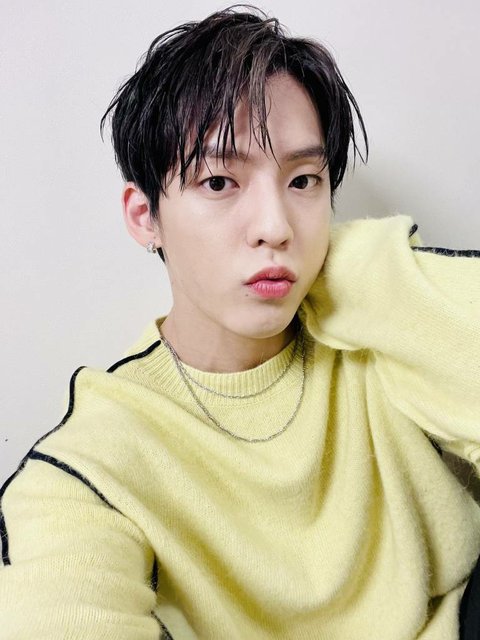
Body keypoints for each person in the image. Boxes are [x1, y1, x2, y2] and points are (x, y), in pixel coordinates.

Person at [1, 5, 479, 639]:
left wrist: (355, 271)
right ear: (145, 216)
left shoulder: (376, 324)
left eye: (303, 181)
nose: (275, 228)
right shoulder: (94, 466)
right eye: (220, 181)